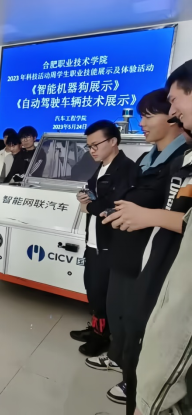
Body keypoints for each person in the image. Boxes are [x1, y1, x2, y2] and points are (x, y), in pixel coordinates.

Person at [88, 89, 189, 407]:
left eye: (148, 115)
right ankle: (119, 360)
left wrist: (142, 214)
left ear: (173, 117)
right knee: (118, 313)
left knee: (138, 322)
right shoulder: (146, 158)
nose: (141, 123)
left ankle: (133, 381)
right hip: (126, 249)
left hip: (150, 256)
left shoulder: (180, 162)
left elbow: (175, 217)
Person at [131, 65, 192, 415]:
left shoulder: (179, 159)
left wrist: (151, 216)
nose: (173, 111)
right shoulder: (163, 158)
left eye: (174, 100)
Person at [71, 121, 139, 360]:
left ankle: (102, 338)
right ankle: (96, 329)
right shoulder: (101, 167)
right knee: (92, 287)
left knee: (102, 293)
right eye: (89, 146)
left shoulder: (126, 170)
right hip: (94, 240)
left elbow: (114, 206)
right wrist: (85, 198)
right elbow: (95, 197)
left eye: (95, 145)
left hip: (110, 243)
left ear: (113, 141)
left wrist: (89, 206)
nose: (92, 150)